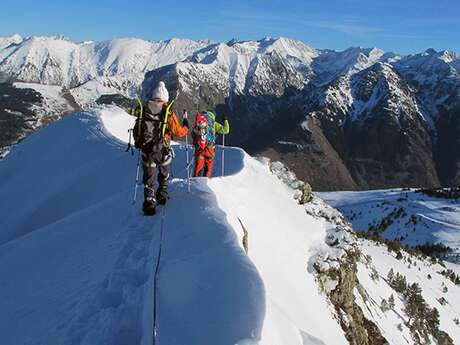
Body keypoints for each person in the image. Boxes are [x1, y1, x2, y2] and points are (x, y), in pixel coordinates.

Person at [133, 81, 189, 215]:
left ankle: (149, 203)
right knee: (164, 174)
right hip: (163, 150)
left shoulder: (144, 110)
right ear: (165, 97)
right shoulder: (167, 112)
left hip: (147, 150)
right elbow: (179, 132)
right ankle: (162, 195)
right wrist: (186, 125)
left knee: (149, 178)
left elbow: (137, 131)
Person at [192, 110, 229, 177]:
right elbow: (226, 130)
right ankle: (205, 181)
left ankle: (195, 181)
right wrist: (225, 120)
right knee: (208, 167)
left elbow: (193, 134)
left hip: (199, 148)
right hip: (209, 148)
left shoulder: (200, 122)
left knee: (198, 167)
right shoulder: (214, 124)